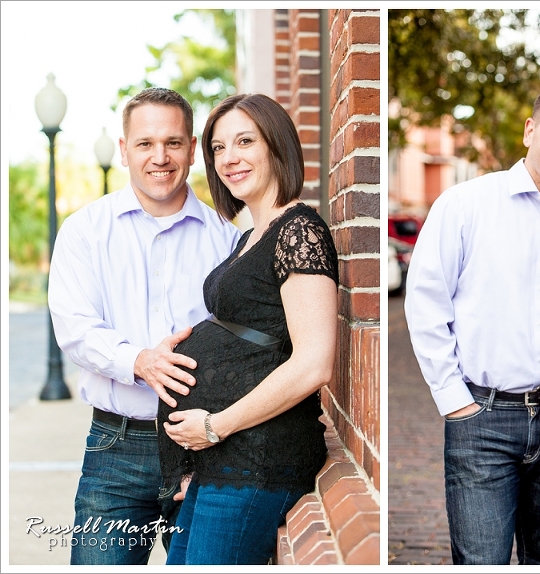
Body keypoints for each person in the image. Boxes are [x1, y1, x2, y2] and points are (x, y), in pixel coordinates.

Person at [404, 83, 540, 565]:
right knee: (481, 561)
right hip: (482, 419)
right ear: (530, 130)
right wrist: (454, 403)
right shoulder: (466, 204)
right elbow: (426, 303)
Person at [48, 87, 242, 565]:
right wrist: (139, 361)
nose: (161, 157)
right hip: (116, 448)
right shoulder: (85, 231)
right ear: (123, 150)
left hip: (205, 447)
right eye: (145, 144)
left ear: (193, 149)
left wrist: (215, 446)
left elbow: (248, 346)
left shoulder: (230, 236)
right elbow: (74, 325)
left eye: (173, 143)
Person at [155, 93, 339, 565]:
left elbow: (313, 363)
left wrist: (214, 427)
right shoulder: (248, 236)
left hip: (258, 462)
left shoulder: (299, 232)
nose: (229, 158)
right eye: (218, 148)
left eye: (244, 141)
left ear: (276, 145)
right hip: (222, 462)